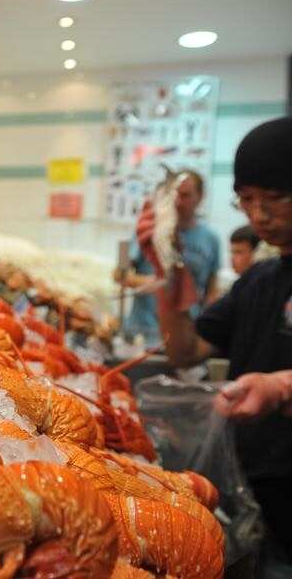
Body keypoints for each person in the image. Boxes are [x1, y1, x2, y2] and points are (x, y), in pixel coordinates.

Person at [138, 116, 292, 574]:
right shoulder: (258, 281)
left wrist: (281, 386)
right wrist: (165, 267)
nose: (259, 215)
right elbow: (185, 349)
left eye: (276, 199)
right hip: (252, 494)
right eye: (247, 200)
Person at [116, 170, 220, 348]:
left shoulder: (211, 239)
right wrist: (158, 283)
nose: (178, 202)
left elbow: (212, 288)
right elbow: (119, 275)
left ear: (200, 197)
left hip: (185, 333)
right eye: (174, 195)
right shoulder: (146, 231)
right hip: (143, 333)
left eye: (186, 195)